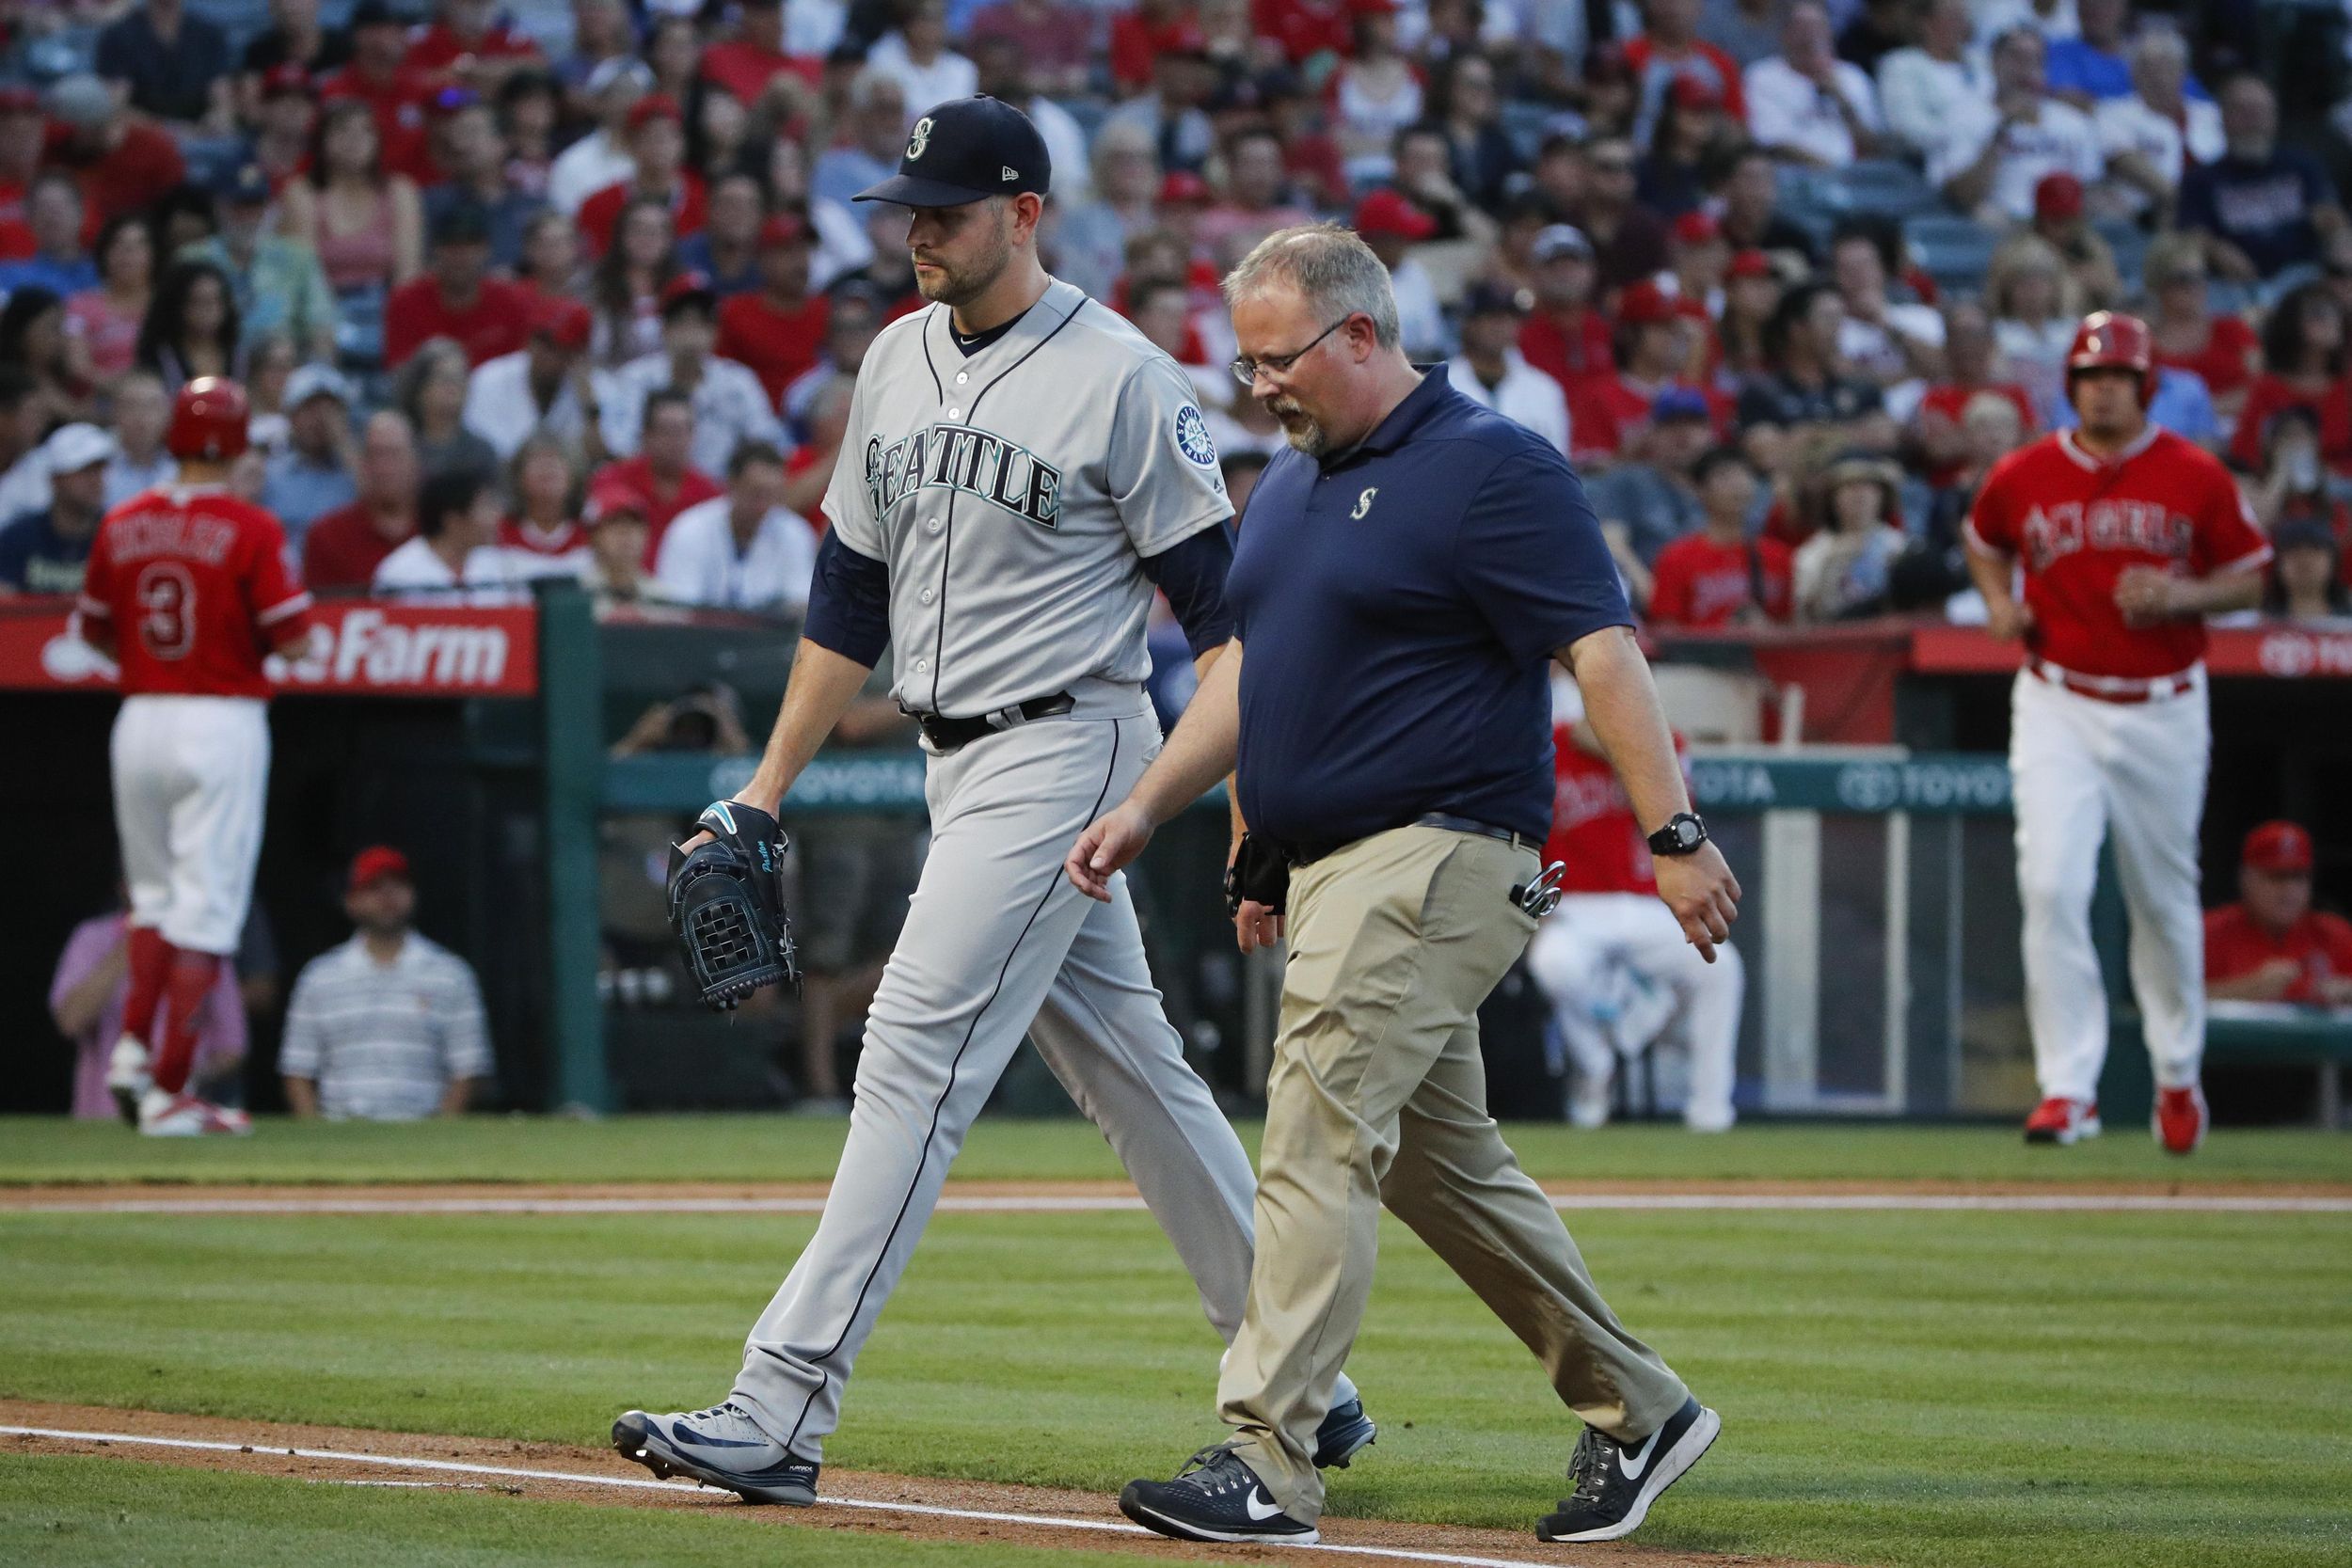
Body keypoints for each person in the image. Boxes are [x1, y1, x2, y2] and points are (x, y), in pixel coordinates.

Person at [612, 95, 1376, 1512]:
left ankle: (781, 1400)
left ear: (1026, 215)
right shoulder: (894, 358)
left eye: (948, 210)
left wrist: (1220, 793)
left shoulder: (1125, 377)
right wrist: (766, 785)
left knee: (909, 1049)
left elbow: (1227, 622)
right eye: (908, 209)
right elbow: (849, 592)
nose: (918, 233)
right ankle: (1304, 1374)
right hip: (948, 757)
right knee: (1135, 1072)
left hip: (1068, 746)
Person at [1077, 223, 1737, 1548]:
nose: (1259, 385)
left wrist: (1672, 837)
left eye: (1279, 359)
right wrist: (1170, 807)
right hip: (1332, 863)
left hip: (1446, 851)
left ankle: (1270, 1451)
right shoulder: (1289, 483)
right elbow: (1260, 676)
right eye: (1248, 361)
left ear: (1362, 335)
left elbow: (1602, 653)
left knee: (1315, 1121)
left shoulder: (1490, 467)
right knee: (1442, 1167)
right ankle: (1641, 1404)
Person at [1963, 312, 2272, 1153]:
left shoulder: (2194, 472)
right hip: (2056, 696)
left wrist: (2183, 596)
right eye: (2092, 374)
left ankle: (2176, 1074)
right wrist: (1996, 602)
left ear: (2145, 385)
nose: (2105, 388)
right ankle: (2069, 1088)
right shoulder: (2025, 471)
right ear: (2072, 384)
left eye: (2121, 376)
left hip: (2164, 702)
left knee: (2162, 902)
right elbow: (1983, 537)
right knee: (2054, 886)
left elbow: (2250, 572)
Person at [74, 379, 313, 1135]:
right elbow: (297, 637)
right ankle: (167, 1088)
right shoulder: (249, 525)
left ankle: (132, 1052)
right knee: (206, 910)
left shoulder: (122, 520)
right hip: (220, 716)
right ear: (235, 443)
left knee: (150, 899)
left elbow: (94, 632)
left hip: (139, 715)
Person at [1527, 695, 1740, 1131]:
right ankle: (1603, 1055)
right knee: (1553, 963)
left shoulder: (1665, 745)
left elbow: (1684, 829)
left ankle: (1710, 1111)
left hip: (1651, 906)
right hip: (1578, 908)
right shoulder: (1547, 746)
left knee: (1721, 968)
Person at [280, 846, 494, 1120]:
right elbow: (297, 1069)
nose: (388, 896)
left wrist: (441, 1133)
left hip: (424, 1130)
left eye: (398, 885)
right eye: (374, 888)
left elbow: (469, 1068)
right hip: (341, 1130)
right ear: (351, 901)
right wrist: (315, 1133)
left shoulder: (451, 974)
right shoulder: (318, 977)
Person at [51, 881, 245, 1121]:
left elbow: (231, 1048)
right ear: (123, 888)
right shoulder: (92, 938)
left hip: (179, 1112)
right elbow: (71, 1021)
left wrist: (177, 1076)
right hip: (103, 1115)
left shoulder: (204, 946)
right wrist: (138, 942)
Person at [598, 274, 783, 485]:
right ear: (665, 329)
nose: (691, 335)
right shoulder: (636, 379)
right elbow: (618, 449)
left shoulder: (737, 383)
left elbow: (767, 446)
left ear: (715, 333)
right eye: (682, 323)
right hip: (651, 494)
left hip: (721, 498)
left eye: (701, 324)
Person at [2177, 75, 2344, 284]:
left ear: (2274, 117)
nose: (2253, 120)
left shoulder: (2301, 166)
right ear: (2223, 117)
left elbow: (2328, 214)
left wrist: (2334, 230)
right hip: (2229, 285)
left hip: (2301, 278)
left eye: (2260, 111)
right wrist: (2215, 249)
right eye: (2243, 111)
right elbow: (2192, 233)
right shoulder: (2200, 179)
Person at [1932, 25, 2103, 227]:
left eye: (2036, 60)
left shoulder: (2074, 123)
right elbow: (1961, 196)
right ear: (1994, 62)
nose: (2026, 68)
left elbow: (2091, 190)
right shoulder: (1963, 116)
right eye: (2017, 58)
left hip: (2061, 225)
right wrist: (2002, 132)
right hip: (1997, 224)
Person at [182, 164, 339, 364]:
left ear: (270, 210)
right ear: (220, 207)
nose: (249, 217)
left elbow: (321, 325)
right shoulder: (192, 260)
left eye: (256, 207)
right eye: (240, 207)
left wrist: (316, 375)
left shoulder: (298, 258)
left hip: (279, 368)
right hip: (210, 365)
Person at [279, 98, 424, 300]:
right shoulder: (301, 192)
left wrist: (397, 319)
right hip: (323, 306)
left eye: (366, 131)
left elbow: (408, 273)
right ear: (321, 141)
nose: (354, 139)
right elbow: (303, 273)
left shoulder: (400, 191)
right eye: (342, 130)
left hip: (385, 302)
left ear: (378, 140)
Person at [653, 441, 818, 612]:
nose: (762, 506)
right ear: (732, 483)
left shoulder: (795, 534)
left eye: (771, 495)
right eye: (756, 493)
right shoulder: (690, 530)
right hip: (700, 636)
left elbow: (800, 606)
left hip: (770, 638)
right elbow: (677, 608)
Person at [2205, 822, 2352, 1006]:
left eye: (2298, 877)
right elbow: (2169, 1006)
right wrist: (2245, 989)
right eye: (2276, 876)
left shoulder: (2334, 934)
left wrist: (2347, 991)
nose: (2289, 889)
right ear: (2246, 878)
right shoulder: (2209, 932)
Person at [1645, 445, 1791, 627]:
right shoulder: (1676, 558)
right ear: (1700, 490)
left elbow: (1791, 625)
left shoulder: (1778, 556)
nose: (1738, 484)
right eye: (1724, 476)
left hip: (1766, 654)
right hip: (1699, 655)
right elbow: (1666, 630)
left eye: (1744, 474)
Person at [384, 202, 533, 370]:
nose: (461, 256)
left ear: (486, 249)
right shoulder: (406, 302)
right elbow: (401, 374)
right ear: (436, 250)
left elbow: (519, 372)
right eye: (451, 245)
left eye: (469, 246)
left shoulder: (510, 301)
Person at [2095, 29, 2222, 225]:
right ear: (2133, 73)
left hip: (2216, 210)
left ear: (2183, 72)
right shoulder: (2113, 113)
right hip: (2149, 216)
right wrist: (2191, 203)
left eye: (2168, 67)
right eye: (2148, 68)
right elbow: (2124, 160)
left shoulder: (2211, 113)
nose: (2159, 77)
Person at [2230, 284, 2352, 479]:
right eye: (2319, 313)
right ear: (2292, 322)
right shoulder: (2268, 388)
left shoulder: (2347, 385)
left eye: (2337, 313)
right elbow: (2245, 456)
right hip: (2283, 495)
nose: (2332, 320)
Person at [1744, 0, 1883, 168]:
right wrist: (1831, 171)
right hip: (1794, 174)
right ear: (1785, 33)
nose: (1811, 35)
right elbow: (1773, 143)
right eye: (1802, 28)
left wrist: (1842, 101)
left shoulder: (1851, 76)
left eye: (1818, 27)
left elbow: (1874, 146)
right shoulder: (1762, 76)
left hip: (1855, 176)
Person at [463, 294, 601, 463]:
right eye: (542, 341)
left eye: (558, 347)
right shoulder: (489, 379)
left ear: (578, 354)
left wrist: (590, 407)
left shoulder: (596, 387)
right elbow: (480, 456)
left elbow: (599, 459)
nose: (546, 354)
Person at [589, 388, 723, 559]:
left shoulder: (711, 495)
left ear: (693, 435)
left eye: (682, 430)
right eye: (666, 430)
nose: (675, 440)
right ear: (646, 435)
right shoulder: (611, 481)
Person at [716, 213, 831, 407]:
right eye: (787, 251)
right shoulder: (736, 312)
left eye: (804, 249)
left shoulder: (827, 311)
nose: (800, 261)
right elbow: (721, 380)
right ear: (763, 260)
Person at [1447, 281, 1570, 458]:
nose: (1500, 326)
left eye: (1508, 317)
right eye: (1490, 316)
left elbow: (1559, 458)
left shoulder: (1545, 389)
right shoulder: (1441, 385)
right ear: (1469, 323)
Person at [304, 410, 422, 591]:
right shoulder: (328, 535)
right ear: (361, 464)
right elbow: (322, 613)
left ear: (415, 462)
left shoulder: (444, 532)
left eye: (394, 454)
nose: (383, 468)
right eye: (374, 454)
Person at [578, 93, 707, 258]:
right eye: (650, 135)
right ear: (631, 144)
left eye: (669, 135)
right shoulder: (597, 206)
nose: (660, 144)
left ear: (682, 143)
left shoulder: (704, 199)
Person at [372, 467, 522, 600]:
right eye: (484, 507)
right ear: (453, 520)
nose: (494, 518)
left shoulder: (502, 566)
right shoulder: (398, 572)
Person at [1791, 450, 1908, 621]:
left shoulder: (1901, 547)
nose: (1859, 494)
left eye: (1868, 485)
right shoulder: (1812, 554)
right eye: (1848, 486)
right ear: (1832, 498)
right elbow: (1804, 618)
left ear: (1883, 495)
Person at [0, 423, 113, 595]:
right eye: (84, 471)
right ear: (56, 480)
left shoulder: (115, 537)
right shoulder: (16, 539)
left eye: (99, 470)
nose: (96, 481)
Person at [1876, 0, 1993, 162]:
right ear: (1925, 23)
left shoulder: (1981, 61)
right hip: (1937, 163)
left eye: (1963, 16)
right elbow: (1908, 129)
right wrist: (1972, 135)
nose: (1961, 24)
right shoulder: (1901, 65)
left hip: (1996, 156)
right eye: (1952, 17)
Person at [260, 363, 359, 548]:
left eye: (329, 410)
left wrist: (343, 443)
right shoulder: (268, 476)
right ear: (290, 416)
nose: (320, 420)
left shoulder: (356, 474)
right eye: (309, 409)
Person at [396, 338, 501, 484]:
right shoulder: (399, 448)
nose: (453, 388)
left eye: (459, 378)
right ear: (420, 387)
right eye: (444, 379)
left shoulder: (481, 453)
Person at [66, 214, 155, 382]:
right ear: (104, 253)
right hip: (103, 401)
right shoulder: (79, 306)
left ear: (153, 254)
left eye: (137, 246)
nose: (127, 254)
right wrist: (125, 388)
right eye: (118, 244)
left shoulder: (166, 304)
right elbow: (77, 367)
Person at [134, 260, 241, 390]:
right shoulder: (159, 358)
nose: (208, 311)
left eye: (216, 301)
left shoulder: (240, 356)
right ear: (178, 306)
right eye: (198, 302)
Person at [498, 434, 589, 570]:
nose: (546, 467)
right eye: (537, 460)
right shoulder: (500, 532)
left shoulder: (591, 533)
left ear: (573, 476)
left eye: (555, 459)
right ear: (518, 477)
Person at [103, 371, 177, 508]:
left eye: (152, 406)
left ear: (168, 413)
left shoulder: (187, 463)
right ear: (114, 412)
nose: (141, 416)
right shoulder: (95, 463)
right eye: (131, 406)